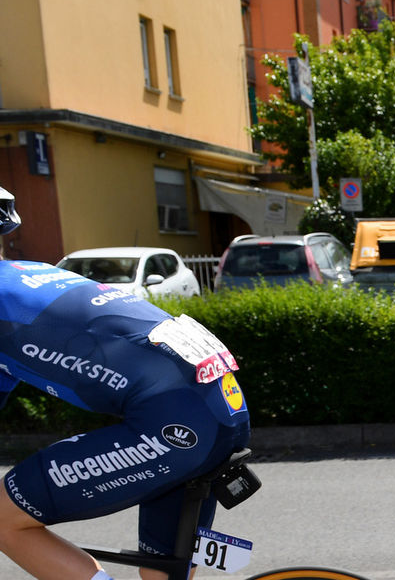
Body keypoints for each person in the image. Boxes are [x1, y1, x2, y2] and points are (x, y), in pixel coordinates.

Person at [0, 185, 250, 580]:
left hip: (176, 424)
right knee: (159, 573)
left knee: (3, 518)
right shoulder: (38, 274)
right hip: (224, 407)